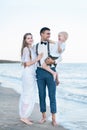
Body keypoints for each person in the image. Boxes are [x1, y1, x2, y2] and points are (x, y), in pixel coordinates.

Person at [19, 33, 43, 125]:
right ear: (25, 40)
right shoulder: (26, 49)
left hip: (32, 74)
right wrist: (37, 58)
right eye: (28, 38)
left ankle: (25, 116)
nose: (30, 39)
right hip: (28, 74)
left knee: (30, 94)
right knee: (27, 94)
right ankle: (24, 117)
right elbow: (27, 64)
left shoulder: (31, 49)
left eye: (31, 38)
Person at [36, 27, 58, 126]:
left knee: (52, 96)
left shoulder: (53, 45)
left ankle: (54, 118)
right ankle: (43, 117)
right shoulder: (35, 46)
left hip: (50, 71)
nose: (49, 35)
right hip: (40, 72)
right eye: (47, 33)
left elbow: (60, 55)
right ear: (41, 34)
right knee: (41, 95)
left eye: (50, 33)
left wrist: (54, 62)